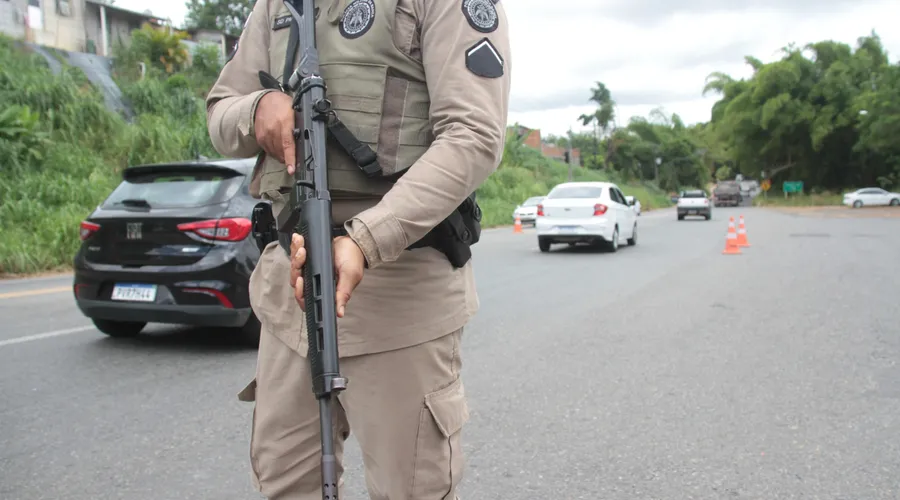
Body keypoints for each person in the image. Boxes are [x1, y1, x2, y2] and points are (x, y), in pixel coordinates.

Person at [204, 0, 511, 497]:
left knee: (409, 488)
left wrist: (366, 240)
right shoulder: (279, 4)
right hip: (292, 285)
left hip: (400, 285)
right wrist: (257, 108)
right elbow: (221, 110)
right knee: (286, 480)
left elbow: (473, 134)